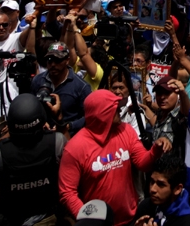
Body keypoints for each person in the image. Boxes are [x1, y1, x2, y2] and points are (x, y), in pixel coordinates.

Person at [58, 90, 172, 226]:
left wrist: (155, 150)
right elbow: (67, 192)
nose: (120, 109)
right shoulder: (75, 148)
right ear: (102, 113)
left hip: (130, 219)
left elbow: (142, 163)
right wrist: (88, 220)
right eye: (115, 107)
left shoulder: (126, 131)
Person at [0, 94, 66, 226]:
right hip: (47, 214)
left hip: (13, 216)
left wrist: (10, 131)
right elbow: (69, 153)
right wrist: (58, 119)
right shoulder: (56, 142)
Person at [31, 41, 91, 133]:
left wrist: (68, 126)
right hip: (42, 136)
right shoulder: (37, 80)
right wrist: (39, 121)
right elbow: (32, 107)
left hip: (69, 137)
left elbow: (89, 116)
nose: (53, 64)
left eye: (58, 60)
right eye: (50, 60)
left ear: (67, 60)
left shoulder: (81, 87)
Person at [133, 154, 190, 226]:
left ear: (177, 189)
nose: (152, 189)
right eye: (152, 182)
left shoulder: (187, 222)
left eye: (161, 184)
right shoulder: (146, 207)